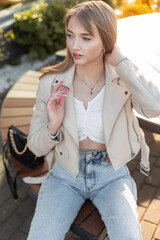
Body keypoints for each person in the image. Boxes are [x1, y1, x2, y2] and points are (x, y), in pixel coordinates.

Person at [26, 1, 160, 240]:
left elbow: (154, 108)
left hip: (112, 174)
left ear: (106, 42)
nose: (75, 46)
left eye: (86, 38)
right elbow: (35, 146)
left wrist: (121, 62)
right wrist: (53, 126)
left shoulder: (121, 80)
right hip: (65, 174)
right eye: (70, 35)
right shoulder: (51, 83)